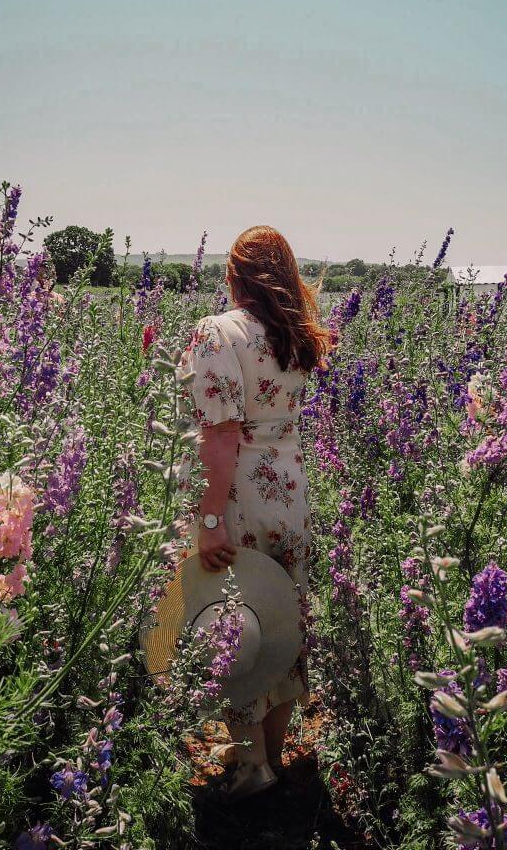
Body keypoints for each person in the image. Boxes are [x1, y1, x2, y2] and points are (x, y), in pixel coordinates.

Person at [178, 225, 331, 801]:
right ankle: (269, 751)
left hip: (239, 496)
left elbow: (221, 435)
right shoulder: (294, 334)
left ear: (234, 275)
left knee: (232, 625)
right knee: (281, 623)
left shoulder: (218, 332)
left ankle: (252, 767)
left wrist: (210, 518)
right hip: (290, 494)